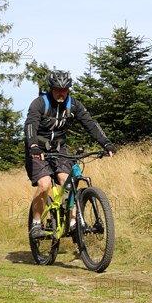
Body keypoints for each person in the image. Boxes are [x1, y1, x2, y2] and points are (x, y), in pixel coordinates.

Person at [24, 69, 116, 239]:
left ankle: (73, 223)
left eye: (65, 90)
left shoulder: (73, 105)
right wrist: (34, 146)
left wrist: (106, 143)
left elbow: (90, 124)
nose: (61, 93)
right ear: (51, 89)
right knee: (44, 185)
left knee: (68, 182)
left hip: (59, 150)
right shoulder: (39, 103)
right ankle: (36, 223)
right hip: (38, 150)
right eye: (58, 90)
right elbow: (31, 125)